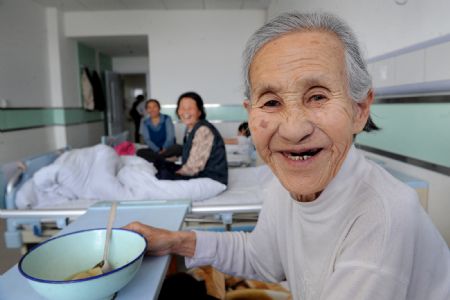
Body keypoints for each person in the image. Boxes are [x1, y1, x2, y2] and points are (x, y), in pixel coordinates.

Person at [125, 12, 450, 300]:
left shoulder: (384, 218)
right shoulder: (284, 185)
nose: (293, 131)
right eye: (271, 102)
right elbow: (260, 257)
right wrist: (174, 241)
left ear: (359, 110)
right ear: (250, 114)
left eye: (318, 96)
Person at [140, 91, 228, 186]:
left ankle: (162, 162)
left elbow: (192, 169)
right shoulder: (190, 127)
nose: (185, 112)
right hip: (194, 170)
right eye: (182, 108)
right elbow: (147, 139)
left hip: (211, 178)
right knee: (152, 159)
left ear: (199, 111)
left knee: (163, 174)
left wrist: (172, 173)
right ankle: (162, 161)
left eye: (190, 108)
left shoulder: (203, 130)